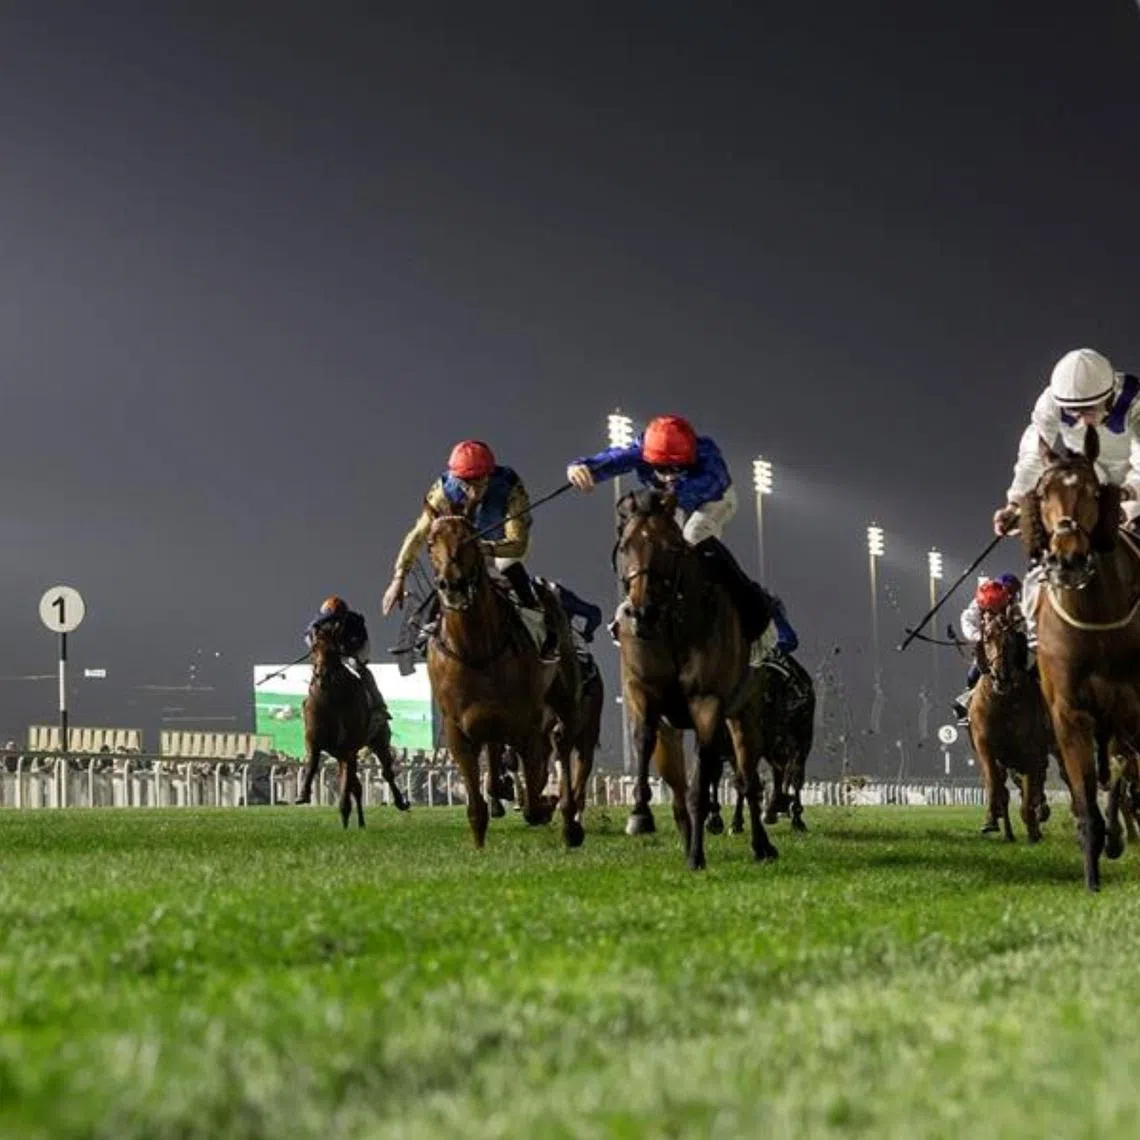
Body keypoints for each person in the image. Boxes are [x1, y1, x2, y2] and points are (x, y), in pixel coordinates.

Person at [566, 413, 779, 650]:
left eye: (676, 468)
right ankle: (634, 606)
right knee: (645, 539)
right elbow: (615, 459)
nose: (667, 474)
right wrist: (584, 467)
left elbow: (697, 489)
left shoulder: (708, 458)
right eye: (660, 468)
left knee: (692, 536)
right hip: (671, 502)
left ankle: (754, 613)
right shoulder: (642, 449)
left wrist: (668, 498)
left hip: (714, 502)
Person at [381, 439, 556, 660]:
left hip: (500, 548)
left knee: (510, 568)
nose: (473, 489)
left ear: (490, 474)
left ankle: (541, 632)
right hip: (462, 550)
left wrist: (484, 549)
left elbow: (517, 543)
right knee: (450, 571)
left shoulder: (510, 486)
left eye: (480, 481)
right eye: (466, 482)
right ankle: (426, 633)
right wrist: (399, 577)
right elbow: (418, 535)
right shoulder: (444, 490)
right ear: (456, 478)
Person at [992, 347, 1140, 537]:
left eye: (1090, 410)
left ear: (1109, 395)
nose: (1083, 420)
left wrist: (1125, 495)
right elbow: (1032, 457)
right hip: (1089, 485)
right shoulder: (1051, 403)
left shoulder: (1135, 403)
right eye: (1073, 411)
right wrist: (1014, 504)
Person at [951, 575, 1026, 723]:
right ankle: (968, 701)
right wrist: (979, 636)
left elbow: (1024, 622)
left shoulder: (1015, 604)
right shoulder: (980, 602)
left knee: (1025, 659)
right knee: (974, 672)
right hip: (988, 642)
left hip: (1010, 641)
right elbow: (967, 619)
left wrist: (1017, 629)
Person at [305, 595, 389, 724]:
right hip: (334, 651)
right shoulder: (318, 622)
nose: (333, 623)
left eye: (336, 620)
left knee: (358, 667)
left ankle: (379, 705)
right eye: (330, 620)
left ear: (344, 616)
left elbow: (359, 642)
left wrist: (343, 650)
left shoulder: (355, 623)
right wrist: (316, 647)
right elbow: (307, 635)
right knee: (320, 668)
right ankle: (310, 704)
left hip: (356, 649)